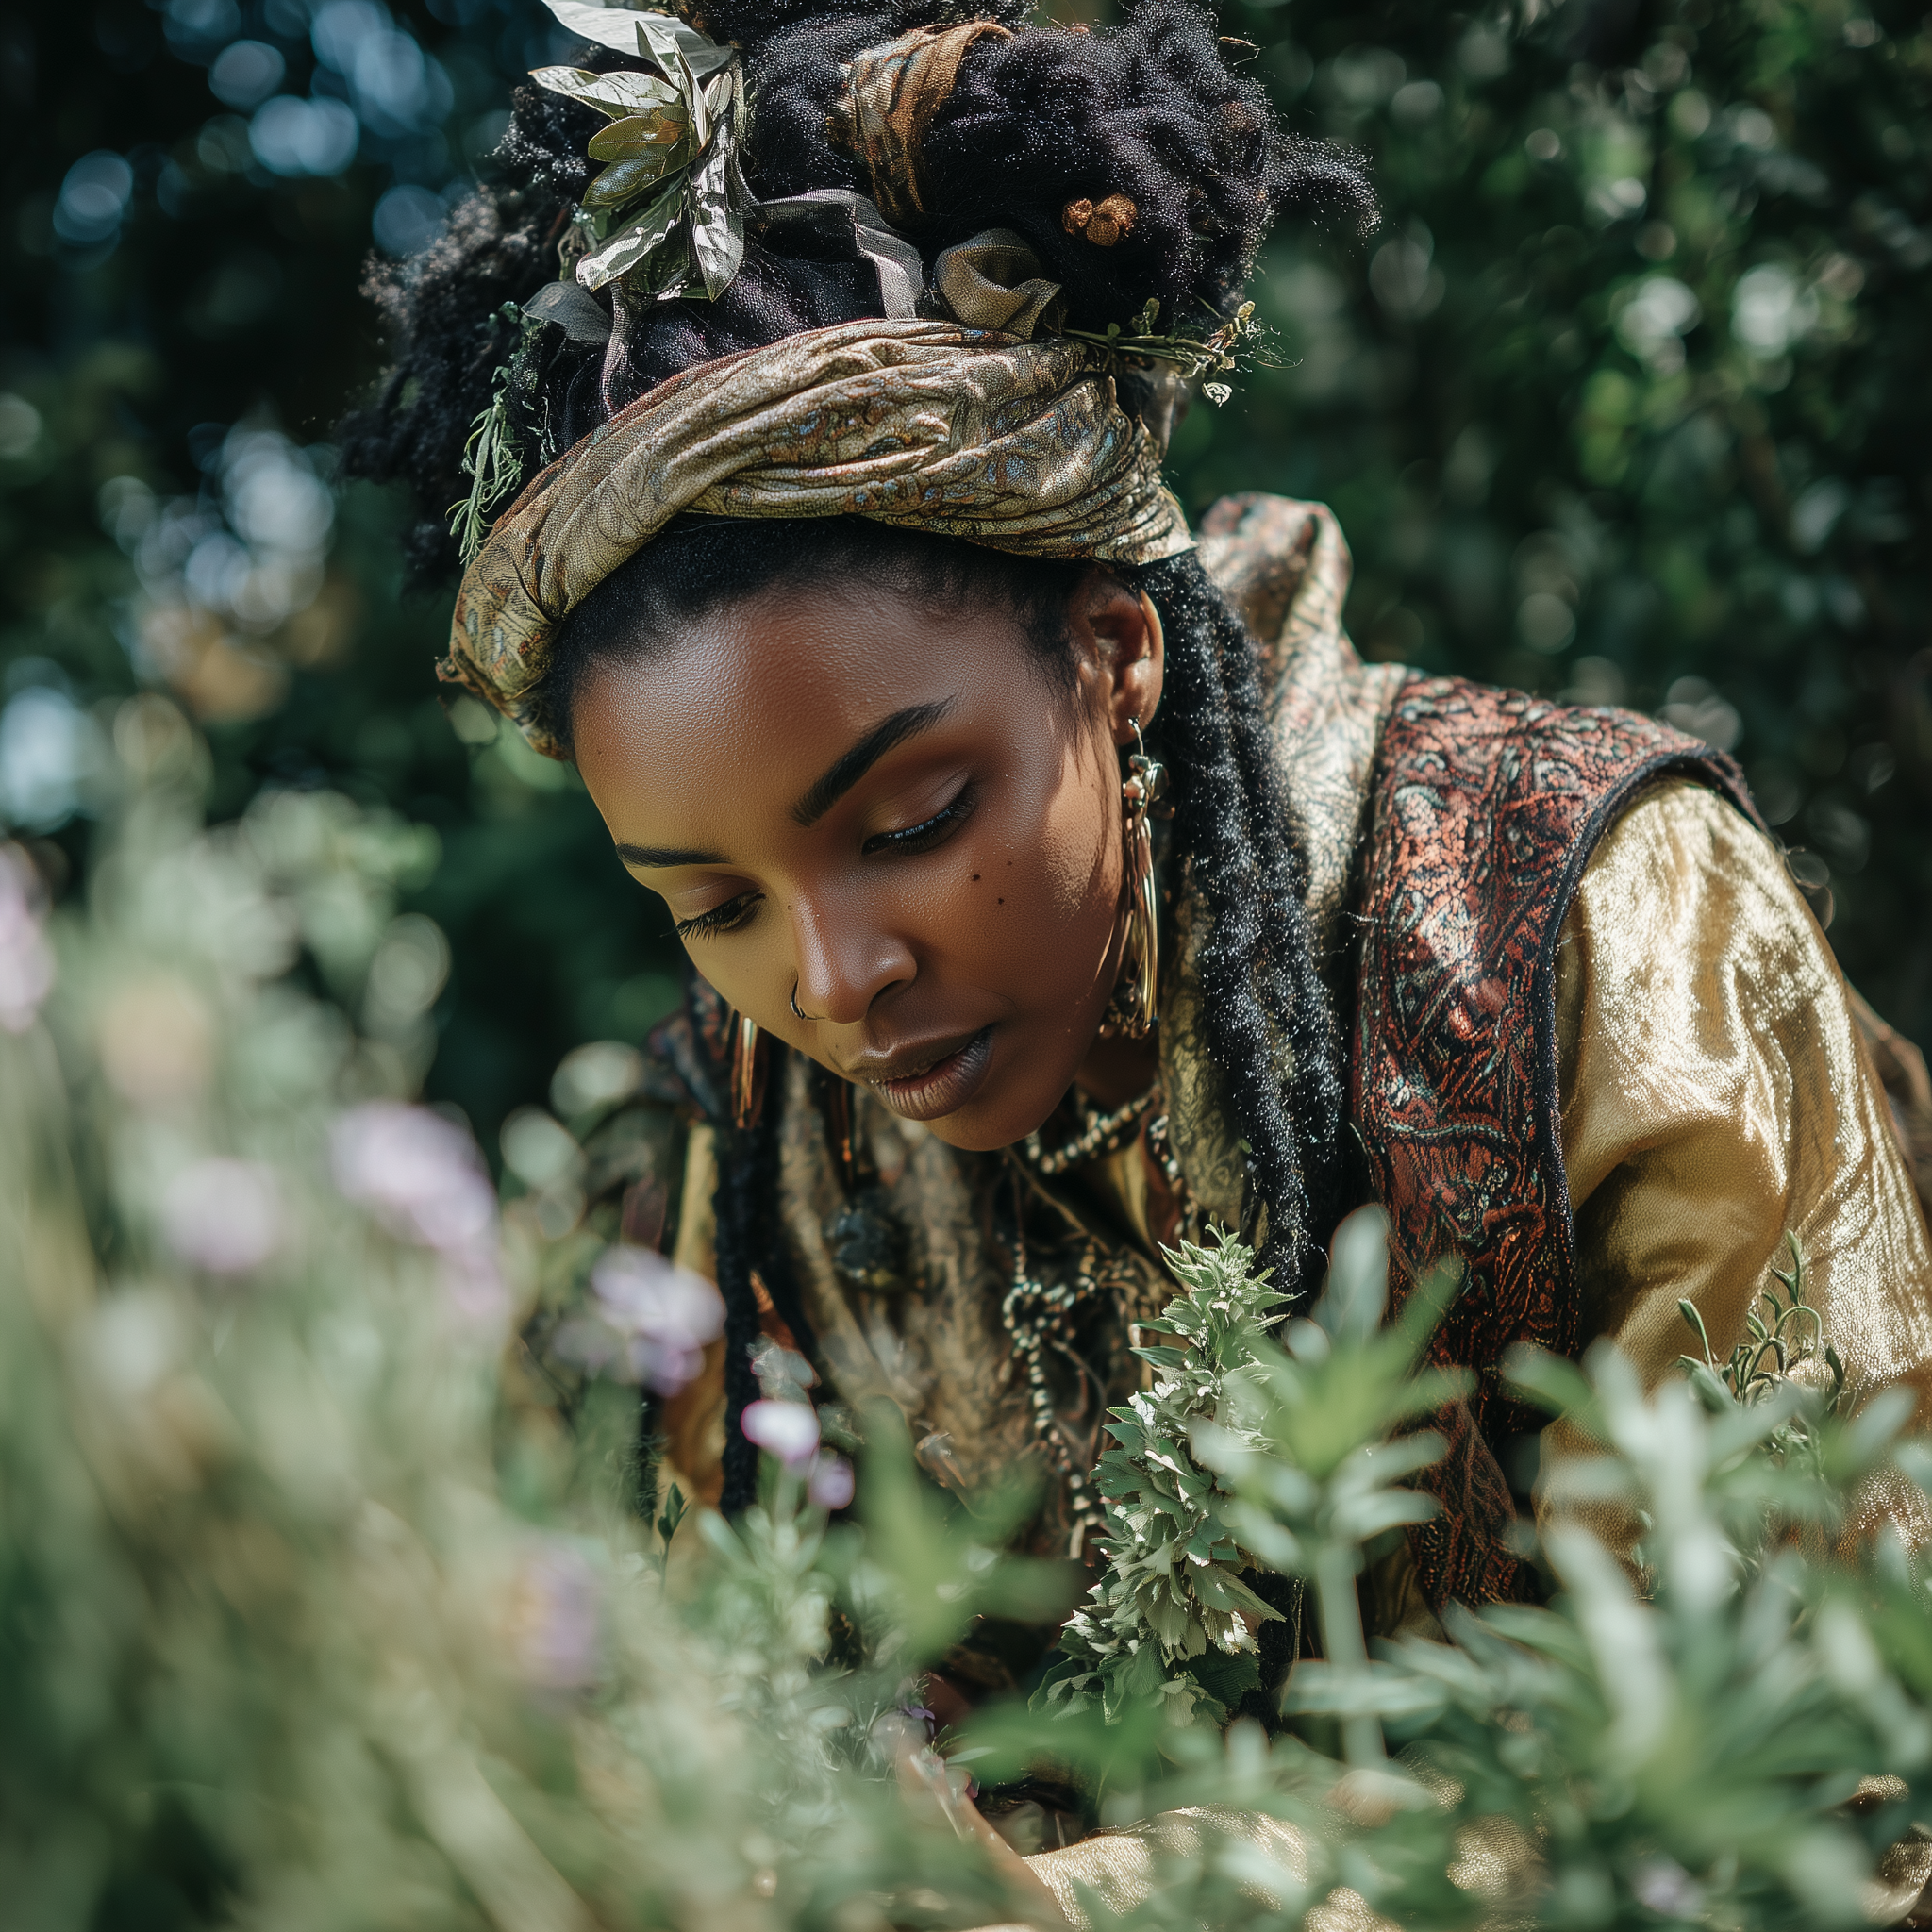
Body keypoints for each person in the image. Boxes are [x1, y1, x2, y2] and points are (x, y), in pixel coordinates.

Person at [342, 0, 1932, 1882]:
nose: (833, 979)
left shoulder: (1587, 922)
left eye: (911, 822)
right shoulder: (737, 1150)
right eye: (713, 903)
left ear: (1112, 658)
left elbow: (1828, 1754)